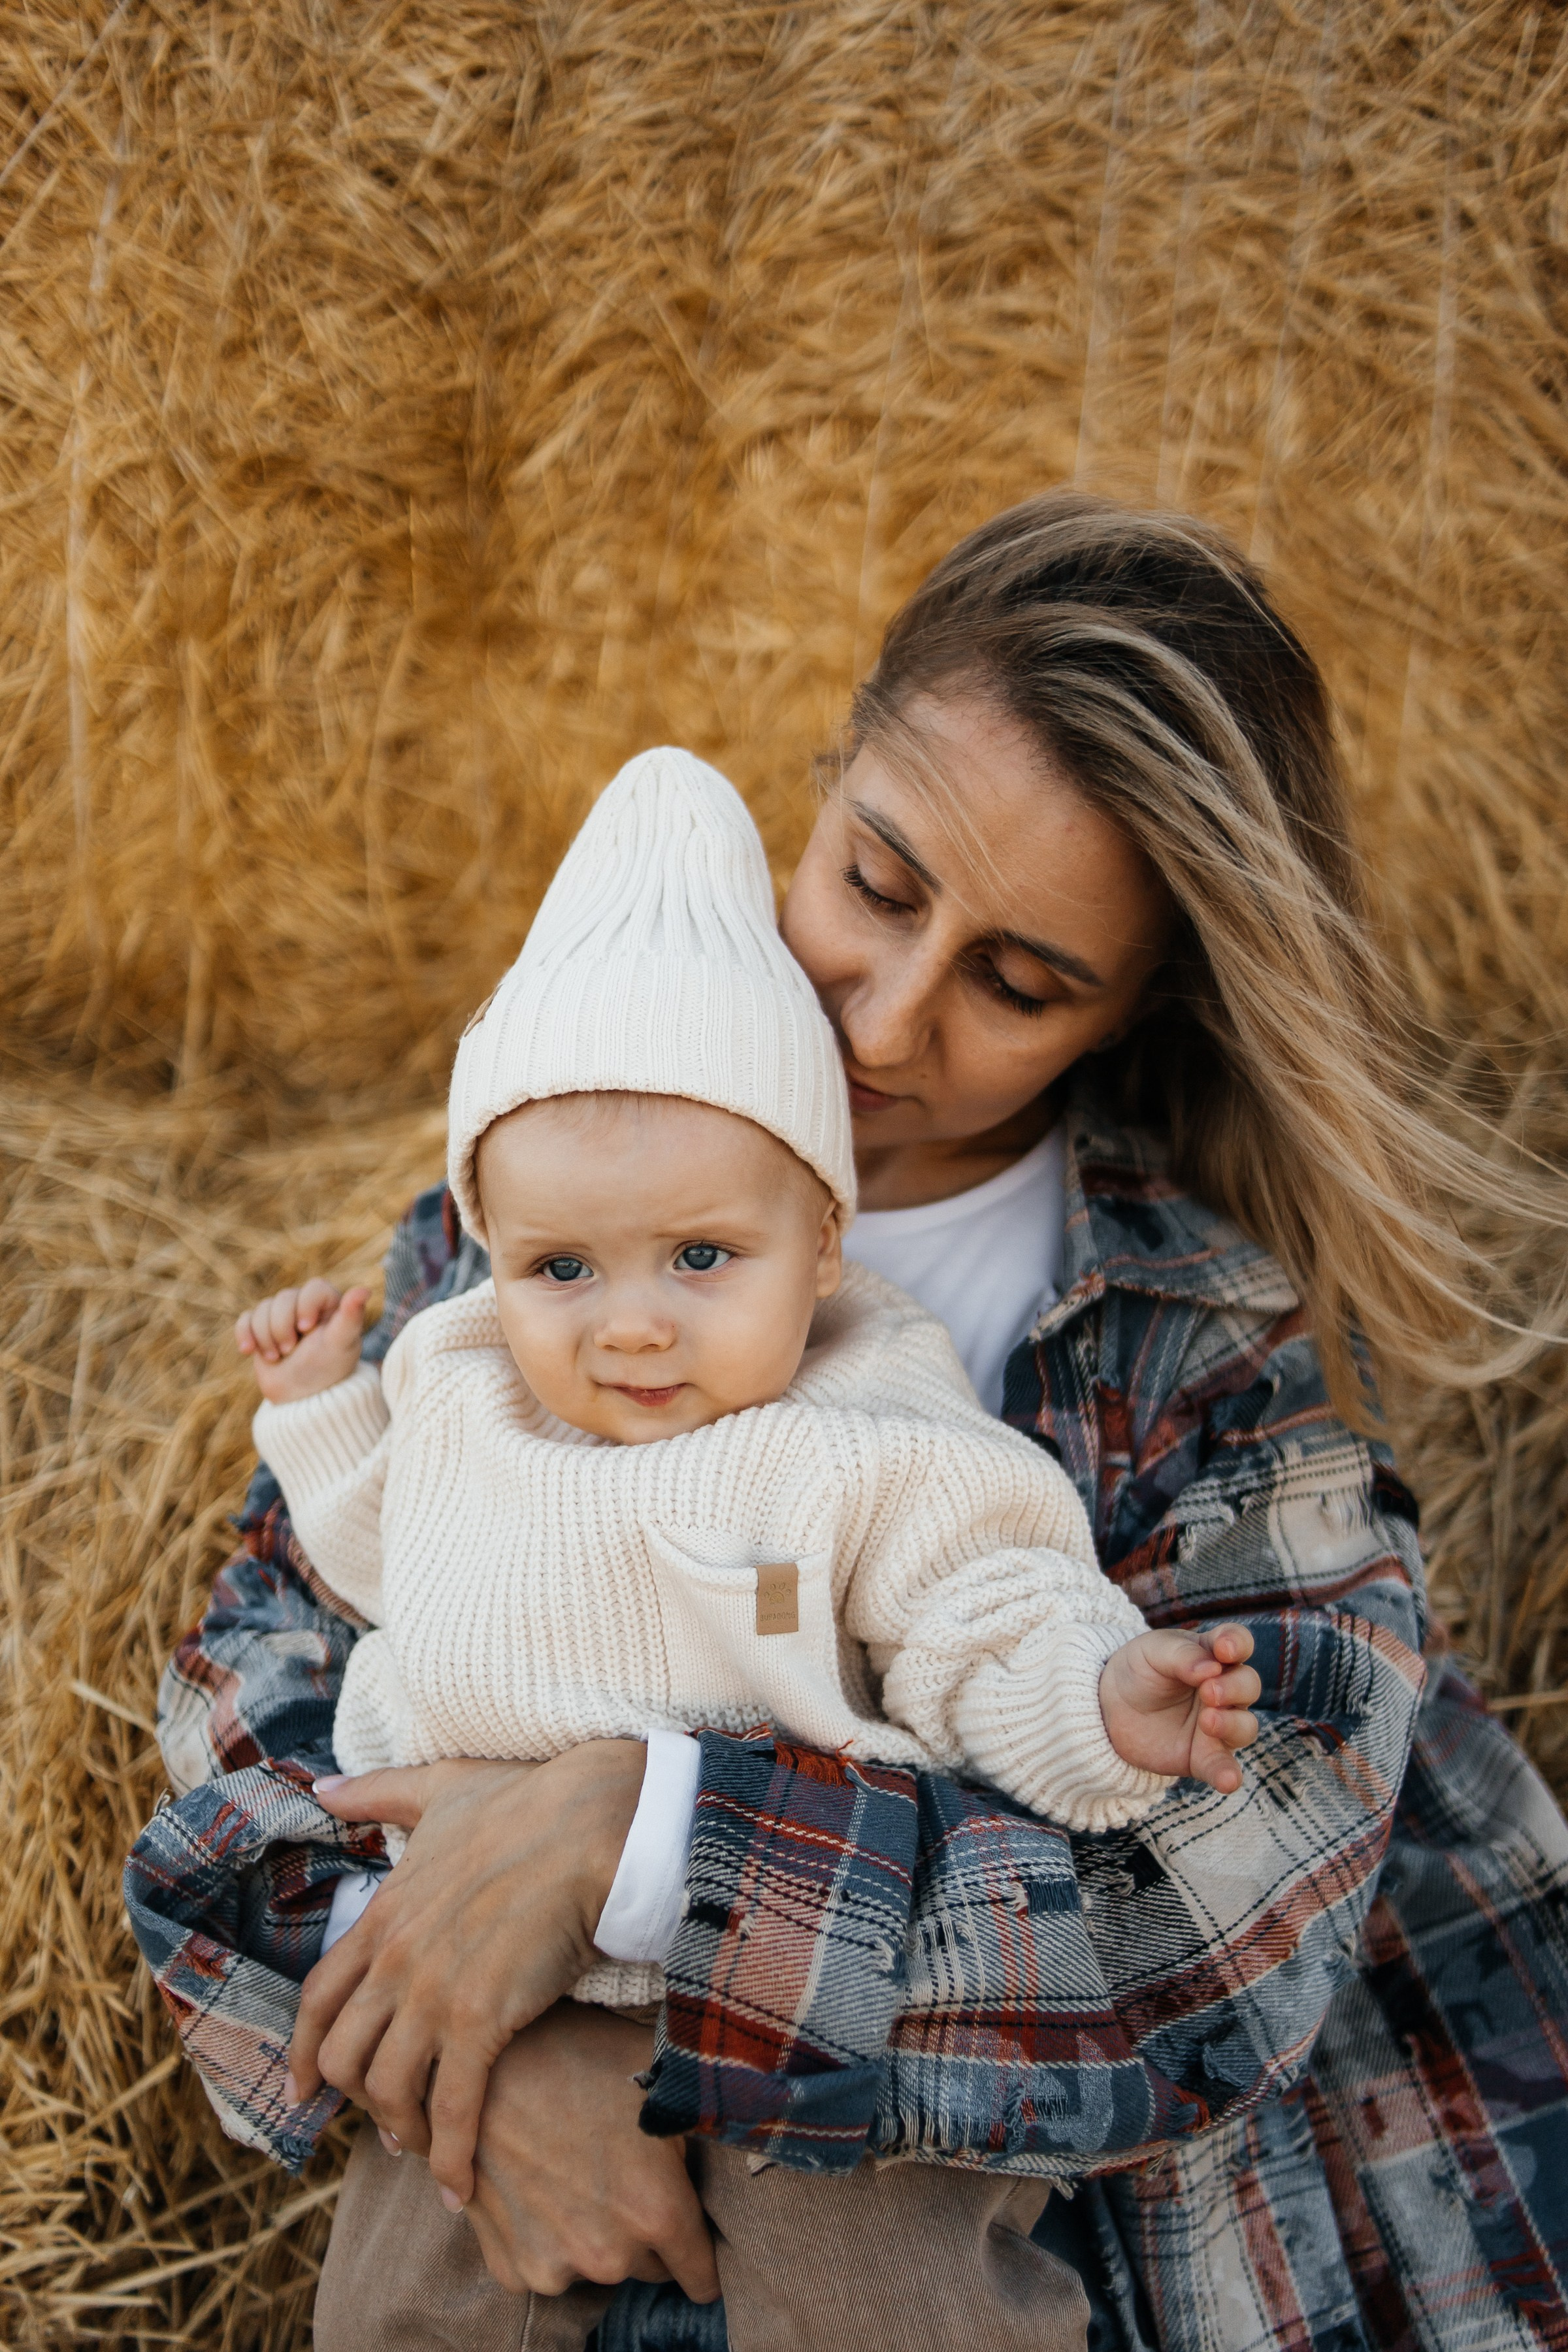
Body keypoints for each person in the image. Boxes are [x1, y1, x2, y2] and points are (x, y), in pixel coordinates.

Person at [125, 493, 1568, 2352]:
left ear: (1130, 1015)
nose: (886, 1021)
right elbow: (255, 1687)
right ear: (823, 783)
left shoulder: (1199, 1355)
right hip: (544, 2181)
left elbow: (1210, 1932)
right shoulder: (531, 1215)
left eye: (1018, 981)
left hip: (996, 2233)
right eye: (877, 884)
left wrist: (641, 1850)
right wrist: (487, 2055)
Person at [233, 743, 1261, 2349]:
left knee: (897, 2303)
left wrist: (1106, 1694)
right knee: (396, 2307)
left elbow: (978, 1609)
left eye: (701, 1258)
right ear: (492, 1244)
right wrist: (315, 1413)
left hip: (813, 2000)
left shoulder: (867, 1417)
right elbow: (364, 1566)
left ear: (824, 1243)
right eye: (562, 1268)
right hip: (481, 1988)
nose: (630, 1324)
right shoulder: (458, 1366)